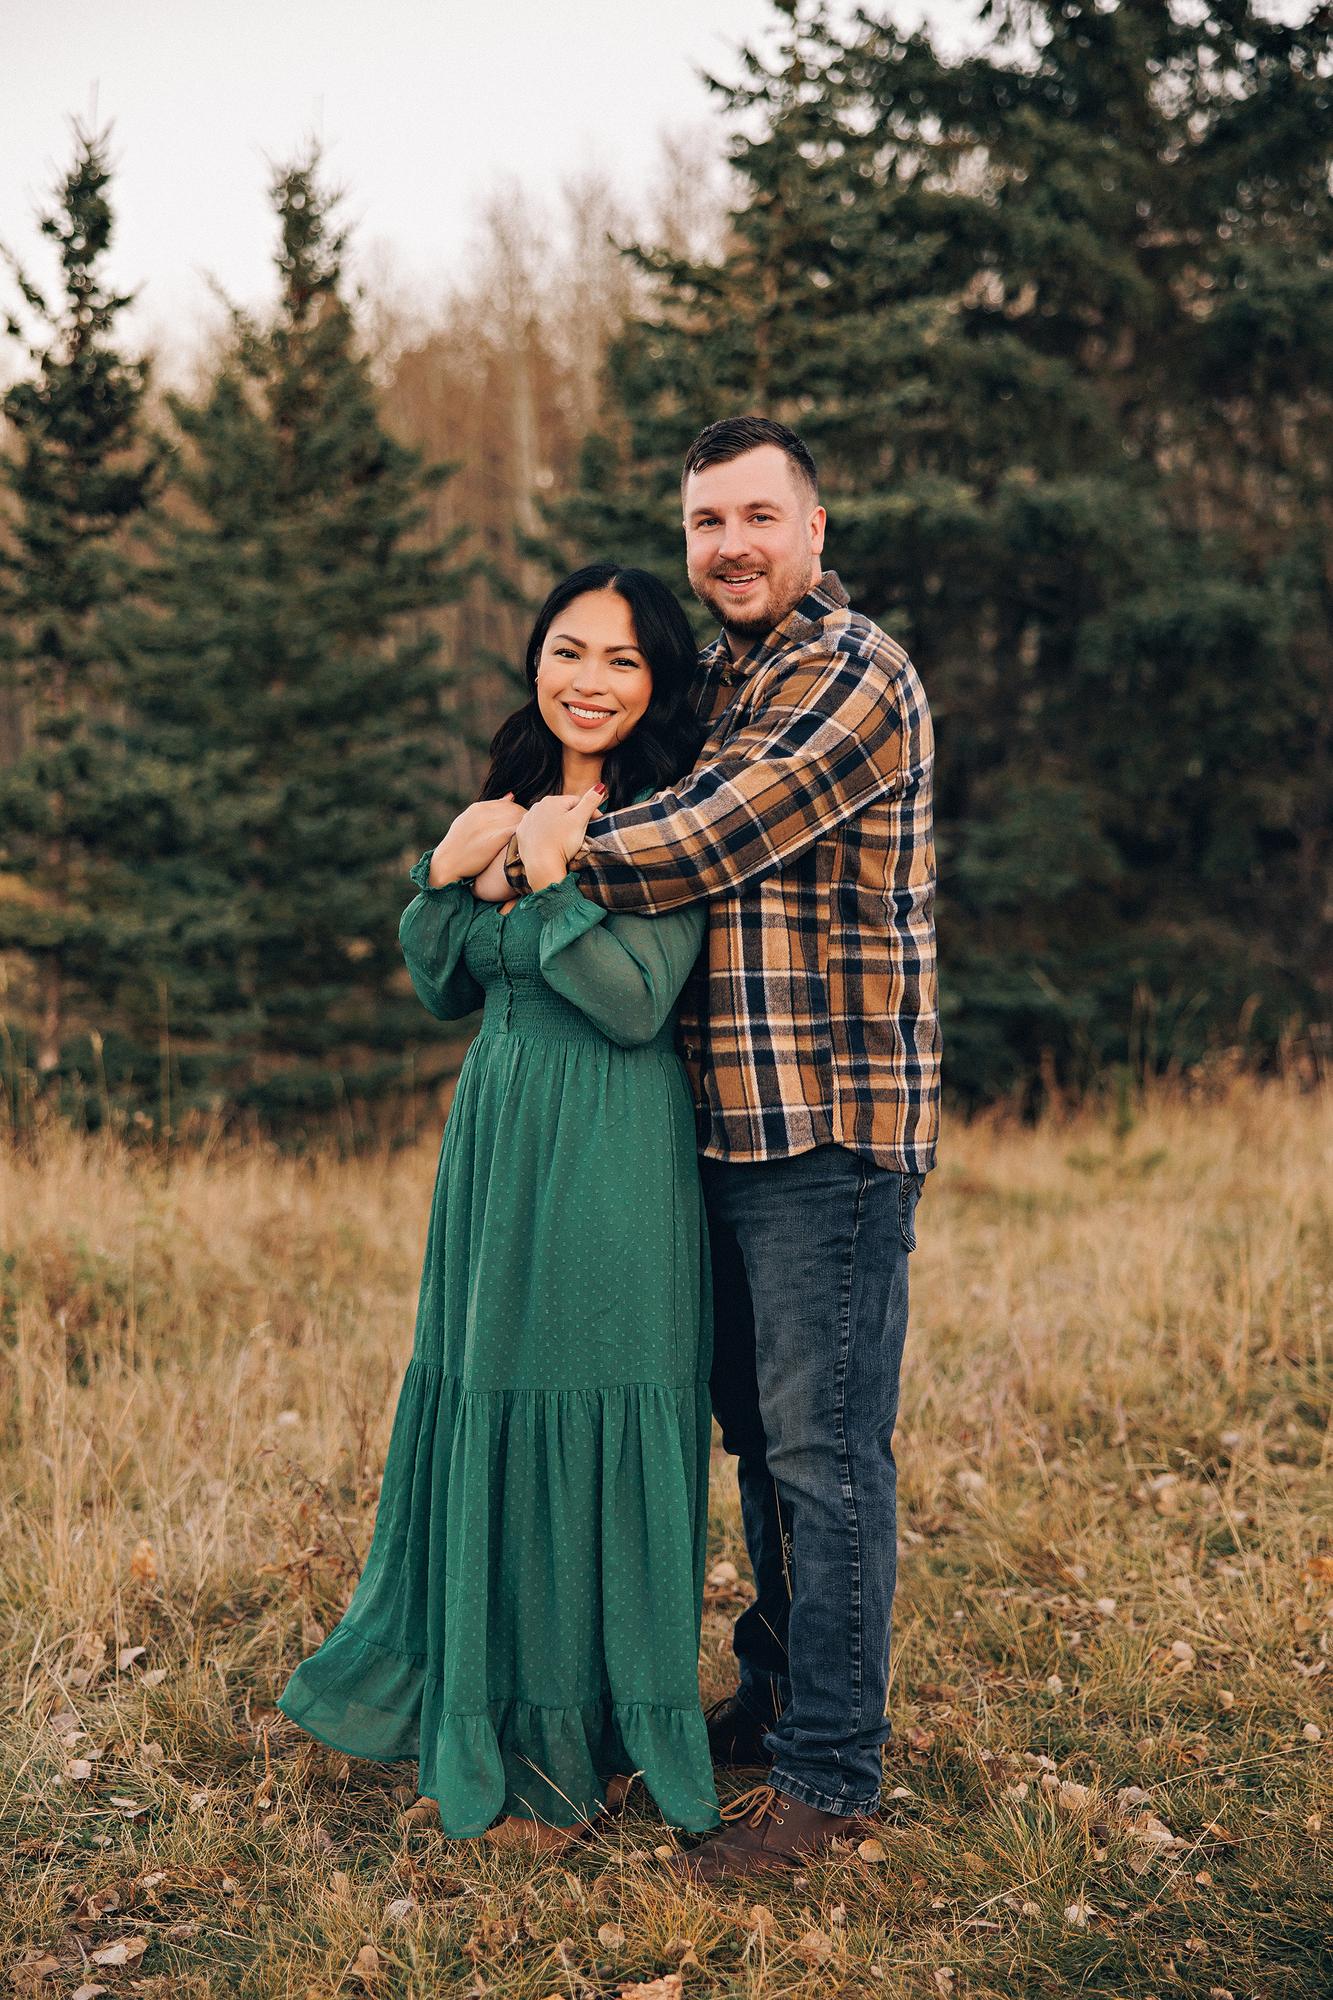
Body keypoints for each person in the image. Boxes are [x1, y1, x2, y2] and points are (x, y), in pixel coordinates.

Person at [498, 417, 941, 1882]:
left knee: (824, 1455)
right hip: (718, 1130)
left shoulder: (852, 672)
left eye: (758, 516)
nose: (731, 546)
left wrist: (538, 847)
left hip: (827, 1131)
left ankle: (830, 1781)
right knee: (758, 1444)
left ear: (814, 527)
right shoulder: (723, 677)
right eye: (706, 522)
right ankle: (774, 1699)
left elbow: (705, 835)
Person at [277, 564, 721, 1852]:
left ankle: (579, 1742)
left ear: (658, 684)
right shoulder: (509, 799)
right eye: (569, 650)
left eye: (624, 660)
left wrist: (551, 880)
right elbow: (440, 981)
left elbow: (635, 1004)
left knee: (582, 1396)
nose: (590, 680)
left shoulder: (672, 819)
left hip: (610, 1147)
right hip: (498, 1134)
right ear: (536, 659)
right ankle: (477, 1710)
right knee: (489, 1396)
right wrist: (446, 865)